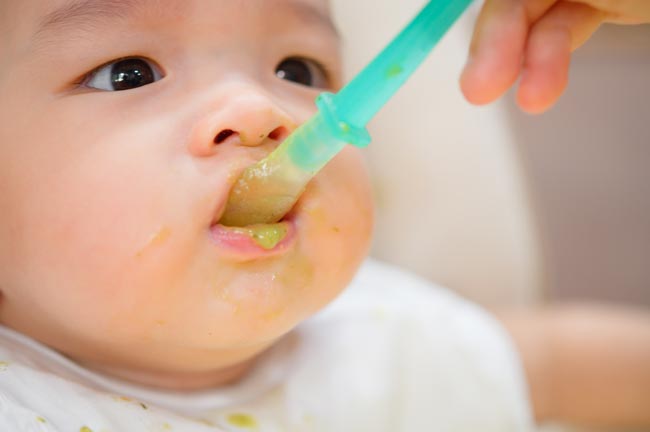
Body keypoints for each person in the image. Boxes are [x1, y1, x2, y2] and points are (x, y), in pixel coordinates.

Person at [0, 0, 647, 431]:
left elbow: (562, 366)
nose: (258, 110)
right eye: (128, 74)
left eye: (298, 68)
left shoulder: (385, 339)